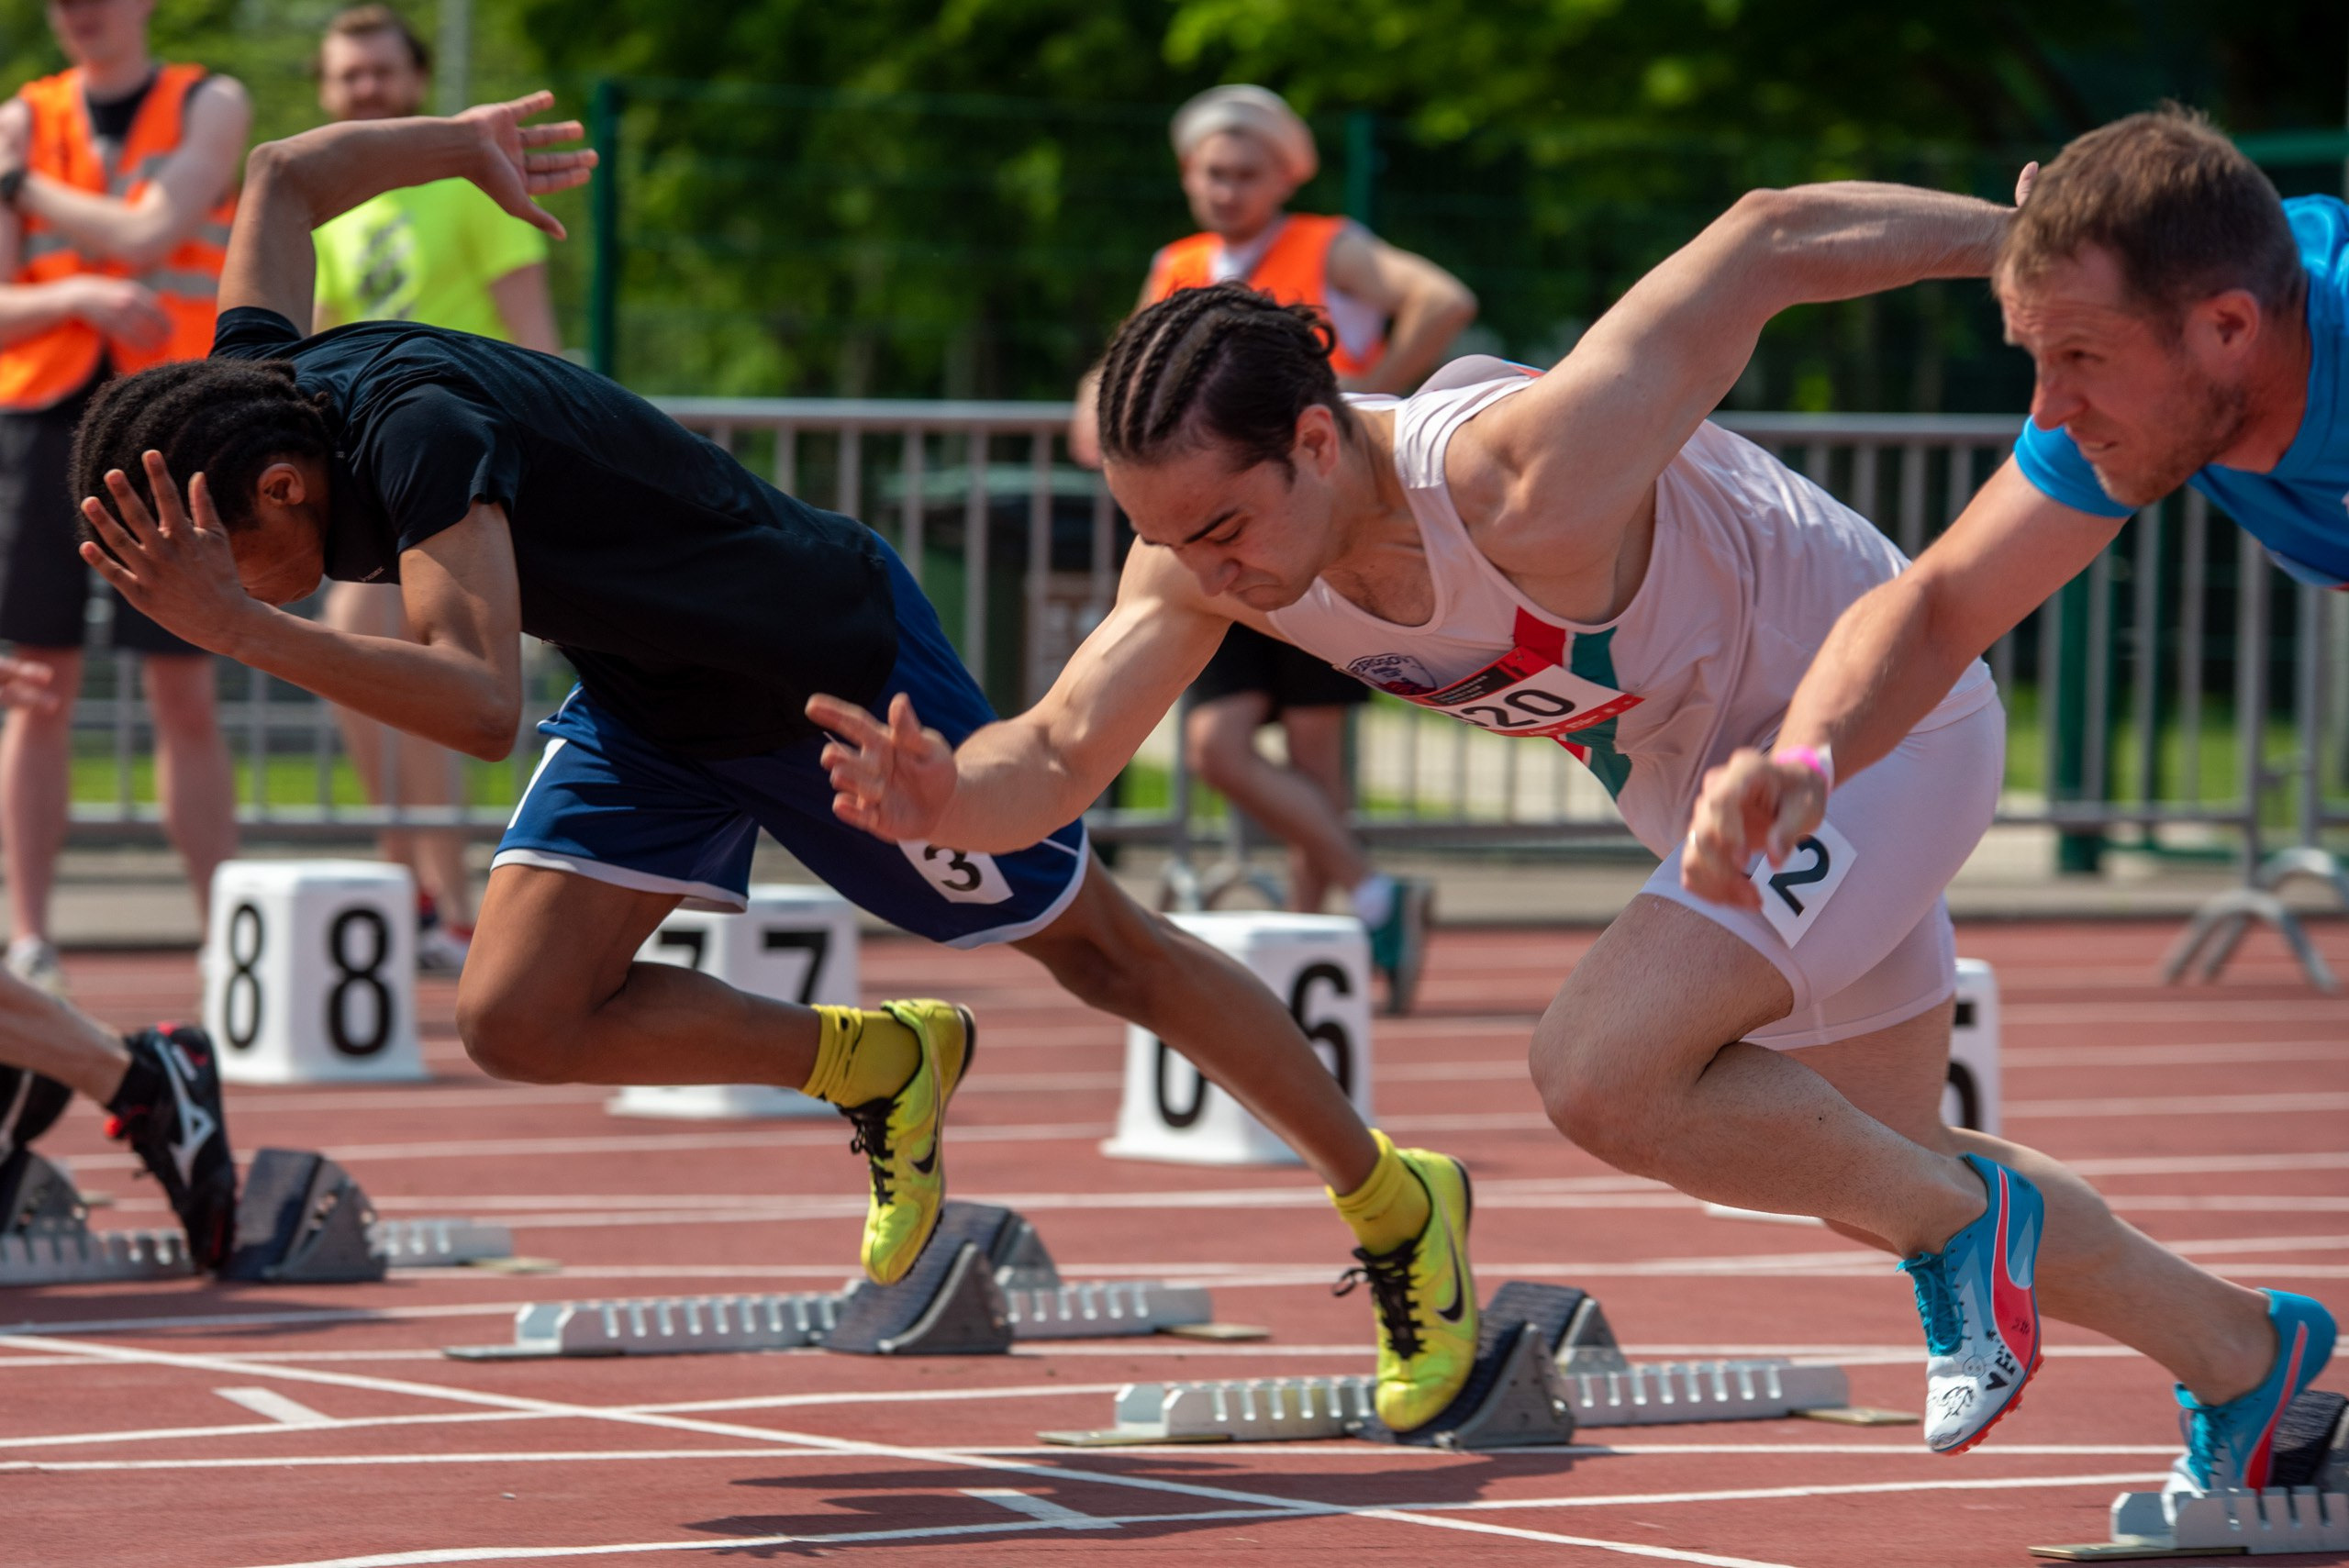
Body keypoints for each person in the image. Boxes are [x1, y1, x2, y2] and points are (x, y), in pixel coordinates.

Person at [809, 173, 2321, 1473]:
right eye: (1162, 537)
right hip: (1711, 800)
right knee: (1879, 1154)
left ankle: (1957, 1229)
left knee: (1598, 1067)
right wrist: (949, 794)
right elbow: (1062, 748)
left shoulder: (1521, 474)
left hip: (1865, 731)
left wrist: (2046, 237)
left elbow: (1770, 238)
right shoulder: (1203, 564)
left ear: (1322, 441)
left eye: (1223, 523)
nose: (1208, 568)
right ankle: (2250, 1358)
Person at [65, 95, 1480, 1431]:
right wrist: (458, 142)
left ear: (278, 491)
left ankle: (1392, 1197)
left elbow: (480, 700)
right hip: (653, 698)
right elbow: (283, 182)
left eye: (226, 558)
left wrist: (238, 626)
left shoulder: (419, 435)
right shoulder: (255, 383)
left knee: (1106, 952)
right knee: (517, 1015)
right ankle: (873, 1062)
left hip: (823, 670)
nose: (227, 584)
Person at [1681, 107, 2337, 1497]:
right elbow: (1933, 608)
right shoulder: (2172, 372)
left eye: (2080, 361)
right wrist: (1804, 765)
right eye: (2034, 359)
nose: (2048, 409)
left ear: (2229, 328)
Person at [1079, 87, 1474, 1007]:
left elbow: (1444, 300)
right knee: (1219, 746)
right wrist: (1094, 415)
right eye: (1213, 171)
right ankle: (1376, 898)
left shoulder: (1327, 245)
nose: (1226, 188)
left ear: (1284, 175)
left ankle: (1324, 954)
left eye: (1246, 172)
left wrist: (1361, 392)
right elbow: (1124, 366)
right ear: (1188, 177)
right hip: (1220, 541)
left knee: (1315, 758)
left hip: (1313, 524)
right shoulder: (1177, 264)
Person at [0, 0, 249, 993]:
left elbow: (156, 232)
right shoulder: (25, 111)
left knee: (184, 687)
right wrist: (72, 296)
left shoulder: (209, 100)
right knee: (36, 684)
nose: (81, 9)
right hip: (44, 418)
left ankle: (227, 936)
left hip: (169, 413)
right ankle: (29, 935)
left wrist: (20, 185)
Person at [308, 4, 563, 973]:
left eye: (380, 71)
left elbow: (534, 336)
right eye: (346, 76)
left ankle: (451, 894)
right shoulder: (330, 212)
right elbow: (320, 349)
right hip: (369, 476)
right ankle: (406, 874)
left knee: (432, 670)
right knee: (350, 649)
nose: (364, 89)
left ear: (415, 81)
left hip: (468, 467)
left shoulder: (468, 191)